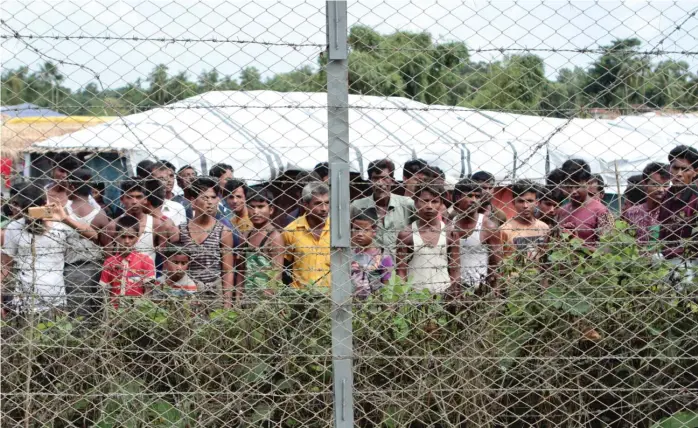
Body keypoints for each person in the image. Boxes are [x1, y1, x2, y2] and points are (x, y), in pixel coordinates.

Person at [1, 182, 98, 314]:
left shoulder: (60, 224)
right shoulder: (15, 227)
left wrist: (65, 219)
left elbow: (94, 235)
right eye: (13, 204)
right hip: (24, 301)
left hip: (55, 300)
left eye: (33, 210)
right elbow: (5, 265)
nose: (12, 208)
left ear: (42, 205)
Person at [177, 177, 236, 308]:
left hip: (214, 292)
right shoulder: (181, 230)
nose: (209, 202)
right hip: (187, 291)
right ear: (193, 201)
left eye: (213, 197)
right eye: (204, 198)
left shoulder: (223, 231)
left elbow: (227, 270)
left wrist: (226, 302)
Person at [64, 169, 111, 316]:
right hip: (97, 268)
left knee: (77, 313)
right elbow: (107, 247)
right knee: (96, 311)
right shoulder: (100, 215)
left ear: (71, 187)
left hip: (69, 268)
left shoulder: (61, 212)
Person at [351, 159, 414, 258]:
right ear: (370, 181)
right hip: (367, 266)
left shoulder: (407, 204)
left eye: (384, 178)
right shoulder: (357, 206)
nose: (380, 183)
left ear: (392, 181)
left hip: (399, 266)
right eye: (375, 178)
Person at [449, 178, 502, 294]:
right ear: (458, 198)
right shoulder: (450, 224)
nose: (474, 200)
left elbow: (496, 264)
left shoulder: (488, 226)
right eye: (470, 196)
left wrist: (494, 290)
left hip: (479, 290)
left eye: (477, 197)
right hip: (453, 289)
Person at [100, 179, 174, 264]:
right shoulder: (112, 227)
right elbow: (109, 261)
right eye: (129, 197)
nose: (134, 202)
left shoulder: (156, 225)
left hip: (148, 275)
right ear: (122, 199)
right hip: (120, 275)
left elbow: (165, 259)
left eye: (139, 197)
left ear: (145, 199)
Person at [396, 184, 452, 294]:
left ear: (441, 205)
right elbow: (401, 271)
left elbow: (455, 270)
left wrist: (454, 293)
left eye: (435, 201)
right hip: (415, 296)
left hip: (444, 295)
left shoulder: (450, 233)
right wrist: (403, 294)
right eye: (424, 201)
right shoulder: (406, 234)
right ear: (416, 203)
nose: (429, 206)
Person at [99, 215, 156, 308]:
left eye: (131, 237)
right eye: (123, 237)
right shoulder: (109, 262)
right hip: (114, 309)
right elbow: (104, 290)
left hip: (137, 309)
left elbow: (149, 290)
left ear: (137, 238)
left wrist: (140, 308)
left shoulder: (146, 261)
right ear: (116, 237)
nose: (127, 241)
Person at [282, 182, 331, 289]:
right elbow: (285, 266)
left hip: (331, 296)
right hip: (301, 296)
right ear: (305, 205)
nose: (324, 208)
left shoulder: (337, 231)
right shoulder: (291, 231)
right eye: (318, 203)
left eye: (327, 203)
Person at [557, 161, 613, 246]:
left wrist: (576, 241)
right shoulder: (562, 211)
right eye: (569, 187)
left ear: (588, 183)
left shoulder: (601, 212)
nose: (573, 192)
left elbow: (608, 251)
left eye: (578, 186)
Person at [241, 187, 284, 297]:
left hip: (266, 297)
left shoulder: (274, 237)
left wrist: (267, 297)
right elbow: (241, 270)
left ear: (271, 209)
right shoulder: (246, 235)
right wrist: (238, 295)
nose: (255, 212)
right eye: (251, 207)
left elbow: (277, 272)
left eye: (260, 207)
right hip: (247, 294)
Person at [658, 145, 698, 262]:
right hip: (666, 258)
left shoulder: (695, 197)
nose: (679, 174)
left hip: (691, 261)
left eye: (685, 169)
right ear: (669, 169)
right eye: (675, 168)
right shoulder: (666, 196)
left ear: (695, 172)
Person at [500, 181, 550, 264]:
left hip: (539, 275)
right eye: (520, 201)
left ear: (536, 203)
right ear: (513, 203)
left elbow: (545, 256)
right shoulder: (504, 229)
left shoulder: (544, 228)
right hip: (514, 275)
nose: (525, 206)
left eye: (530, 201)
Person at [350, 207, 393, 298]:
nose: (360, 234)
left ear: (374, 231)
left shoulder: (383, 257)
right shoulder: (349, 255)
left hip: (374, 305)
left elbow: (387, 288)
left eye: (365, 230)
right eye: (356, 229)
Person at [624, 163, 670, 246]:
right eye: (655, 184)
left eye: (666, 185)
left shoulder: (674, 212)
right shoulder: (632, 213)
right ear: (645, 184)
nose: (661, 190)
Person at [150, 161, 187, 226]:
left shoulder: (183, 204)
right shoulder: (145, 204)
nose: (168, 180)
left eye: (171, 176)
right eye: (161, 178)